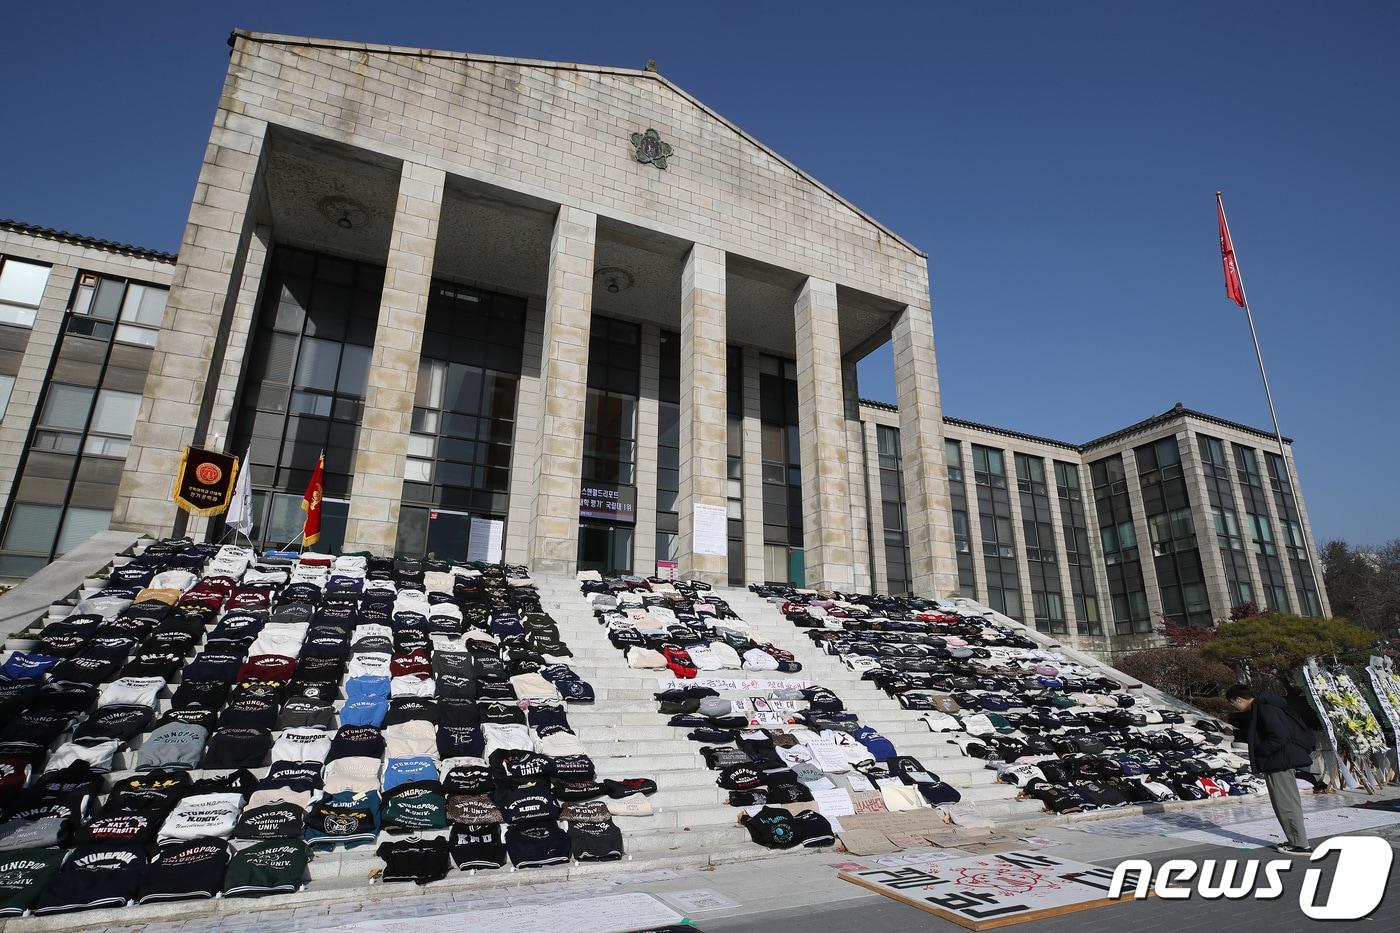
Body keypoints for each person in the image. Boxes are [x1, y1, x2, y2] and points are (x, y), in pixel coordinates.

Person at [1227, 683, 1314, 854]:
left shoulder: (1264, 709)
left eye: (1233, 703)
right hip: (1279, 761)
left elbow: (1279, 736)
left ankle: (1300, 844)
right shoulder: (1267, 706)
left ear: (1238, 700)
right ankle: (1297, 840)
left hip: (1277, 762)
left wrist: (1261, 751)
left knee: (1285, 804)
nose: (1235, 707)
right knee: (1288, 803)